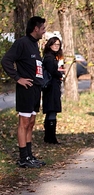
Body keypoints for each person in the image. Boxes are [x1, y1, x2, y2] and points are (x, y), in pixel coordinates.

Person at [1, 16, 46, 168]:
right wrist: (17, 78)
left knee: (31, 122)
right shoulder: (22, 43)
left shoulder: (35, 45)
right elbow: (6, 60)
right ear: (36, 29)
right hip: (25, 89)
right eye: (43, 28)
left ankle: (29, 155)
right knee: (24, 122)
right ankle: (23, 158)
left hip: (36, 89)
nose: (44, 31)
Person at [42, 36, 65, 144]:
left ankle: (50, 137)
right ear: (49, 45)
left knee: (52, 111)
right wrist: (60, 74)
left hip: (53, 86)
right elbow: (52, 70)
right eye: (54, 44)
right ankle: (50, 137)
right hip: (50, 87)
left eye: (58, 44)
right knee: (51, 110)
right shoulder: (49, 58)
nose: (56, 46)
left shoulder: (54, 57)